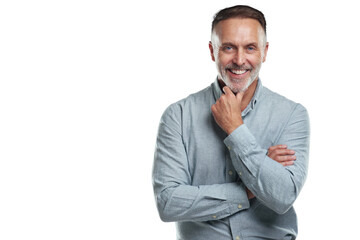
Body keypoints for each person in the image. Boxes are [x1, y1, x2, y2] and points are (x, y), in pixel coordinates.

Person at [152, 5, 310, 240]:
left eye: (250, 48)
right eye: (228, 47)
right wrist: (249, 189)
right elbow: (168, 203)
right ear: (212, 51)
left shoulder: (292, 115)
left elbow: (283, 196)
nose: (239, 60)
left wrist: (235, 128)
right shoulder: (178, 116)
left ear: (264, 52)